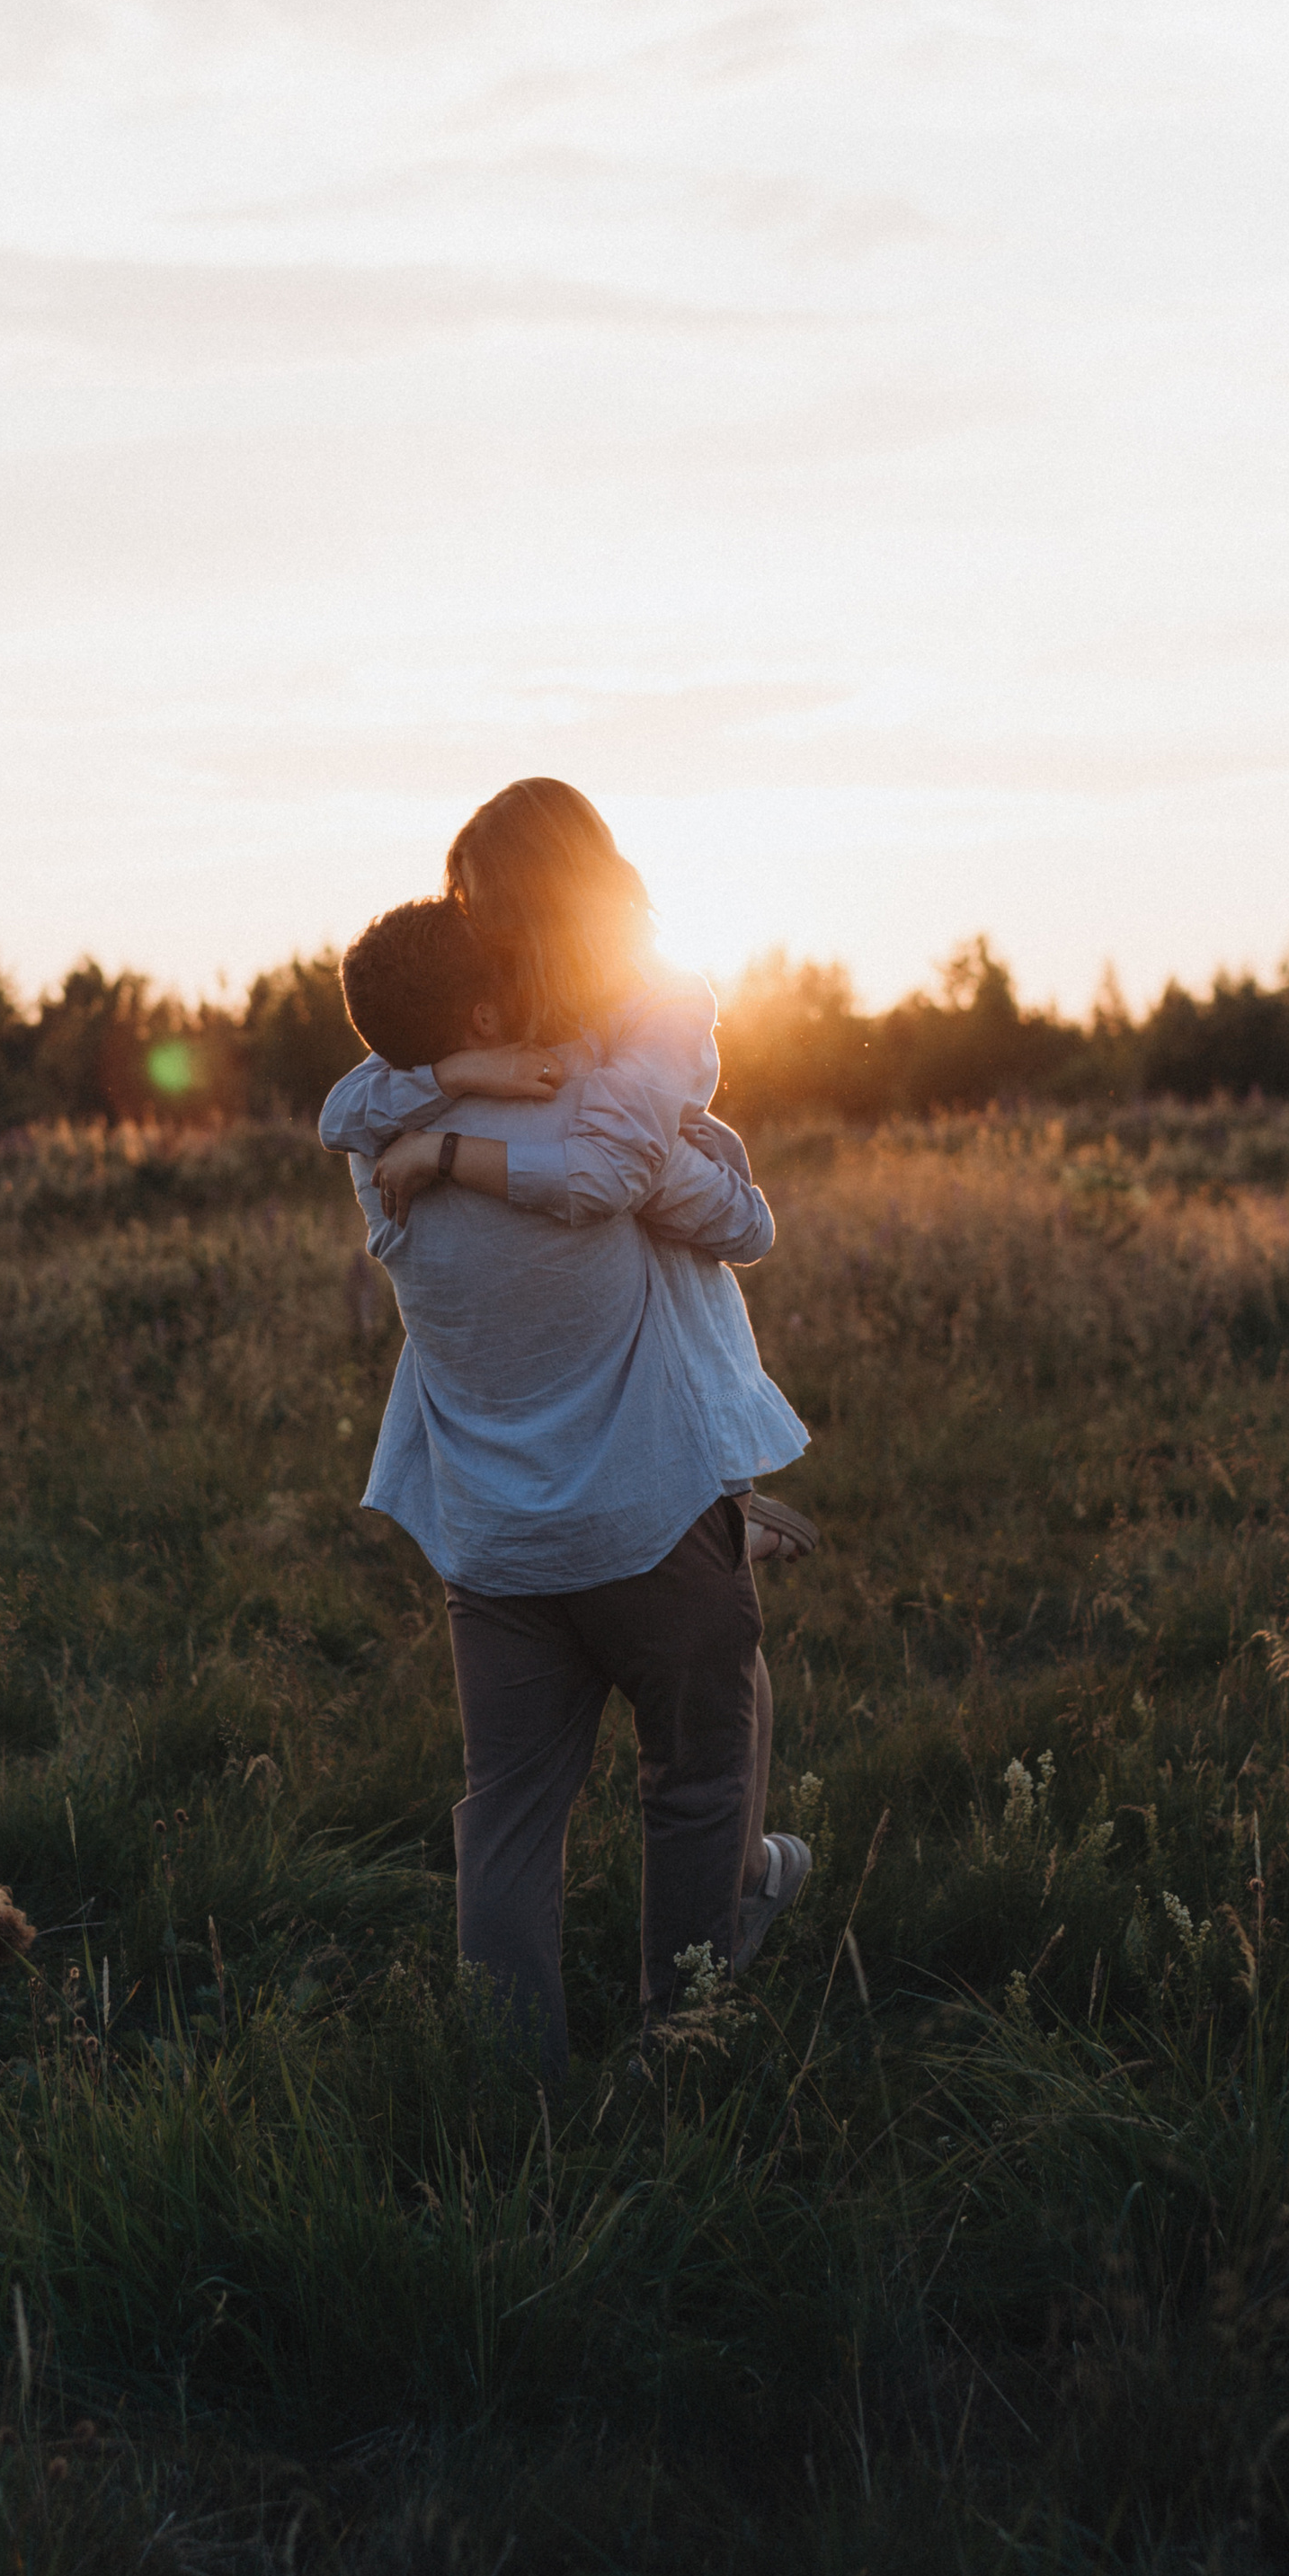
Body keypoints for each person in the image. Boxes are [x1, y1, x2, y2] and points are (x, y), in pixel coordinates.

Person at [320, 819, 814, 2074]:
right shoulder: (595, 1104)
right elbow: (726, 1216)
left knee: (506, 1821)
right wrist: (708, 1185)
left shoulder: (380, 1151)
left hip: (493, 1541)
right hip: (648, 1515)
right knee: (696, 1783)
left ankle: (510, 2091)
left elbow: (351, 1097)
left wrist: (451, 1102)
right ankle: (678, 2049)